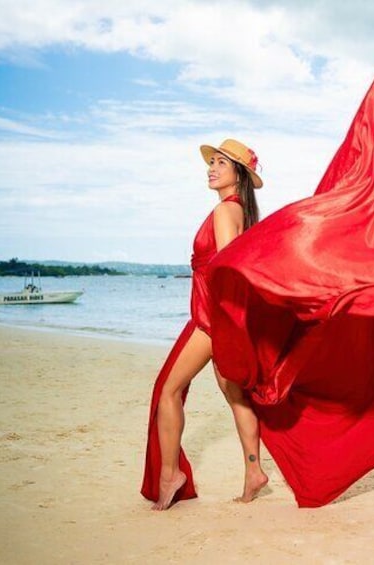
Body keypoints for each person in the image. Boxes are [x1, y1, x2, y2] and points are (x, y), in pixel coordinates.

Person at [141, 139, 269, 510]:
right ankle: (254, 472)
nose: (211, 168)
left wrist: (223, 326)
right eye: (210, 163)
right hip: (220, 317)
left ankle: (169, 475)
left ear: (238, 174)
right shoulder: (241, 211)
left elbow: (229, 269)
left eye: (220, 163)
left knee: (167, 390)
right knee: (236, 397)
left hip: (212, 319)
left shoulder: (224, 212)